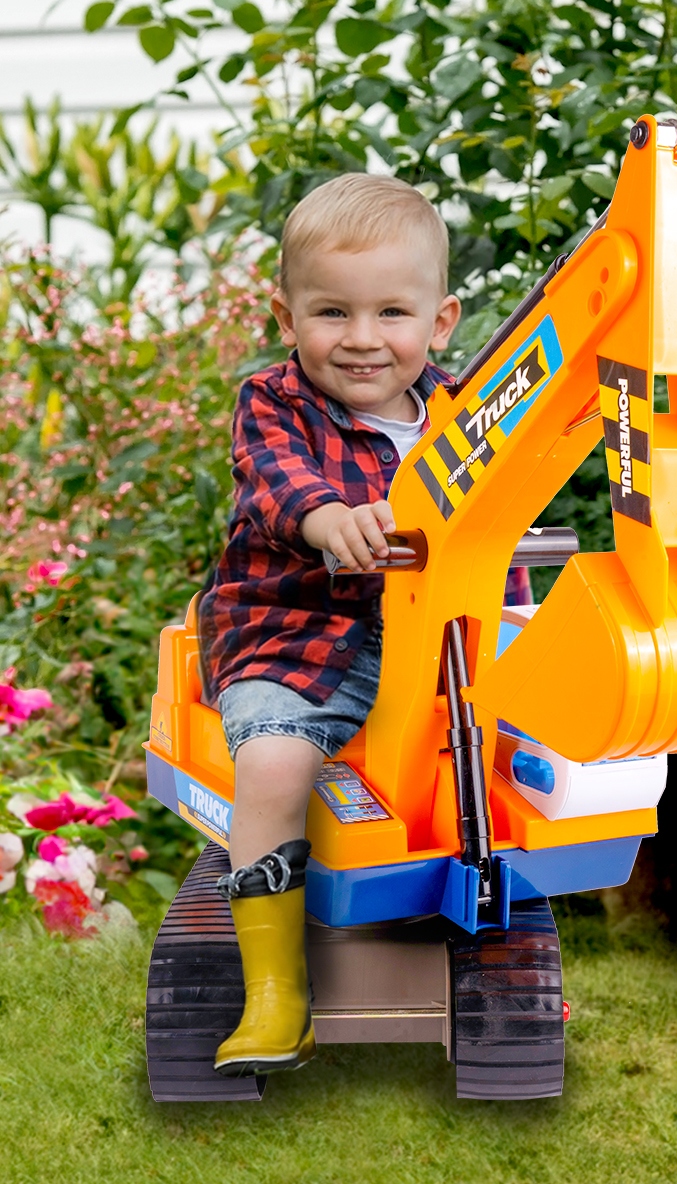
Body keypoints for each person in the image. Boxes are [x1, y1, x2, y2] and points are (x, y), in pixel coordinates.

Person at [196, 173, 465, 1077]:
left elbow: (497, 513)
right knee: (274, 761)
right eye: (330, 313)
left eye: (391, 312)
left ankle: (479, 935)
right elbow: (278, 484)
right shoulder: (273, 403)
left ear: (440, 322)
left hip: (431, 648)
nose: (360, 340)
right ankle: (278, 995)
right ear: (286, 317)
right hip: (293, 636)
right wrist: (328, 521)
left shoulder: (466, 415)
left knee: (501, 766)